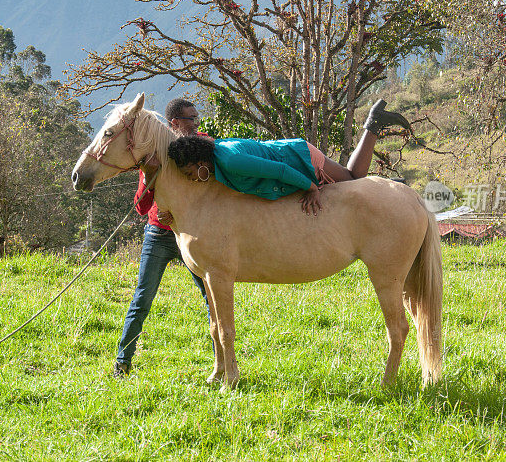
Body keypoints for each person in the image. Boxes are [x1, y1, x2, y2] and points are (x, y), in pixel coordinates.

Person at [166, 99, 410, 215]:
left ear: (199, 162)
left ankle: (373, 125)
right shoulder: (217, 150)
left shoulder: (230, 160)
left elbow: (279, 170)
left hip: (298, 156)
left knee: (354, 178)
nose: (191, 177)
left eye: (189, 172)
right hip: (291, 151)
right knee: (350, 177)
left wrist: (312, 187)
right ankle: (393, 186)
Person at [114, 99, 210, 378]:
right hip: (158, 234)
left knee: (211, 297)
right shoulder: (154, 152)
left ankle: (223, 361)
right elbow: (141, 207)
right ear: (174, 124)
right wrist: (149, 174)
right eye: (191, 118)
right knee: (143, 298)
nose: (196, 123)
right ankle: (123, 361)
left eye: (196, 117)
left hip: (192, 234)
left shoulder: (203, 145)